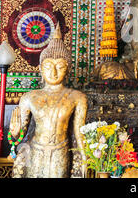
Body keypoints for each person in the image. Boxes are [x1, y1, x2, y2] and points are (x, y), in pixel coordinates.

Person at [9, 24, 88, 178]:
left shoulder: (77, 97)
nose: (53, 72)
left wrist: (84, 158)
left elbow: (79, 134)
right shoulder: (29, 97)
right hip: (35, 150)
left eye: (59, 66)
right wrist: (14, 133)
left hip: (61, 150)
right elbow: (20, 136)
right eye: (47, 66)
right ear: (40, 68)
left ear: (68, 69)